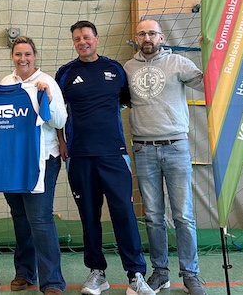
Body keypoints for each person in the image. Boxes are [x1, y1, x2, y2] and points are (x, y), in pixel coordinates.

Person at [55, 20, 155, 295]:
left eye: (86, 37)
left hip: (114, 155)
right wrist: (62, 141)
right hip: (79, 155)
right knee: (89, 216)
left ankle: (136, 274)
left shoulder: (115, 70)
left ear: (96, 39)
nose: (82, 42)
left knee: (124, 213)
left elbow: (125, 100)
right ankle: (97, 272)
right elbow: (56, 112)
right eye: (77, 39)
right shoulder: (65, 73)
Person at [123, 19, 207, 295]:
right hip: (143, 149)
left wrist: (212, 53)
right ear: (136, 38)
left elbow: (208, 85)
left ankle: (191, 274)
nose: (147, 38)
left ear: (161, 37)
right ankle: (160, 272)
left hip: (176, 147)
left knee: (183, 215)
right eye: (142, 33)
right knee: (153, 216)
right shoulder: (128, 68)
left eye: (152, 33)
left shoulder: (178, 63)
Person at [0, 37, 68, 295]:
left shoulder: (47, 82)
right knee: (20, 217)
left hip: (43, 159)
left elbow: (60, 121)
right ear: (12, 56)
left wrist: (47, 97)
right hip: (12, 160)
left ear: (34, 55)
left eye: (27, 54)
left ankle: (52, 281)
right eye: (18, 54)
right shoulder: (5, 83)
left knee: (40, 218)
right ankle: (25, 273)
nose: (23, 59)